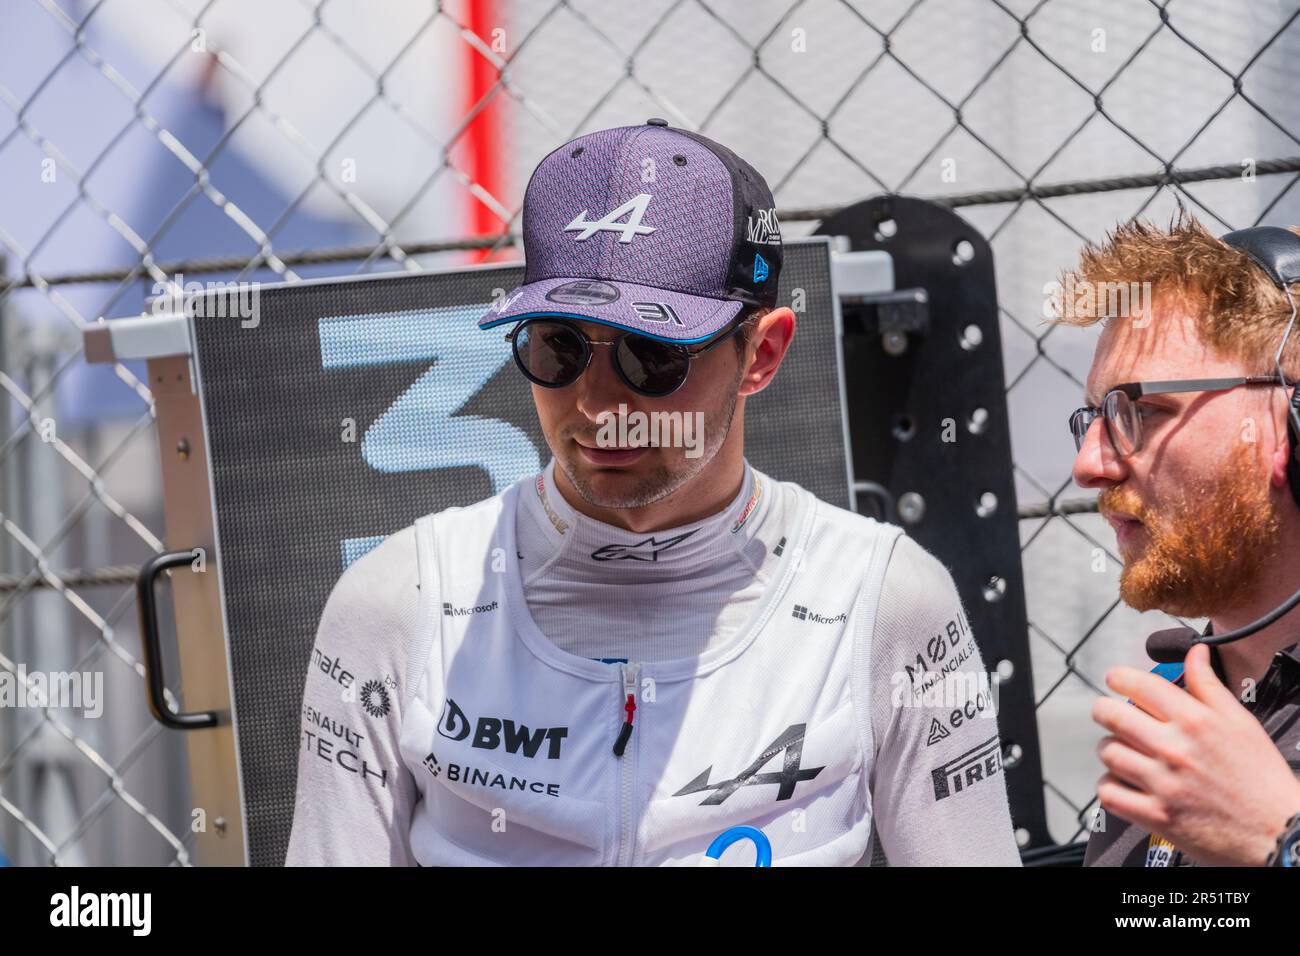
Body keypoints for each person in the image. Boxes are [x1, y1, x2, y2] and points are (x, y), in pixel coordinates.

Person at [285, 119, 1020, 866]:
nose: (599, 406)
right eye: (558, 347)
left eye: (652, 355)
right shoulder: (394, 605)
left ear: (761, 353)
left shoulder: (886, 600)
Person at [1058, 210, 1300, 866]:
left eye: (1140, 411)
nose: (1089, 465)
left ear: (1291, 429)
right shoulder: (1170, 713)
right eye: (1094, 417)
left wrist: (1277, 842)